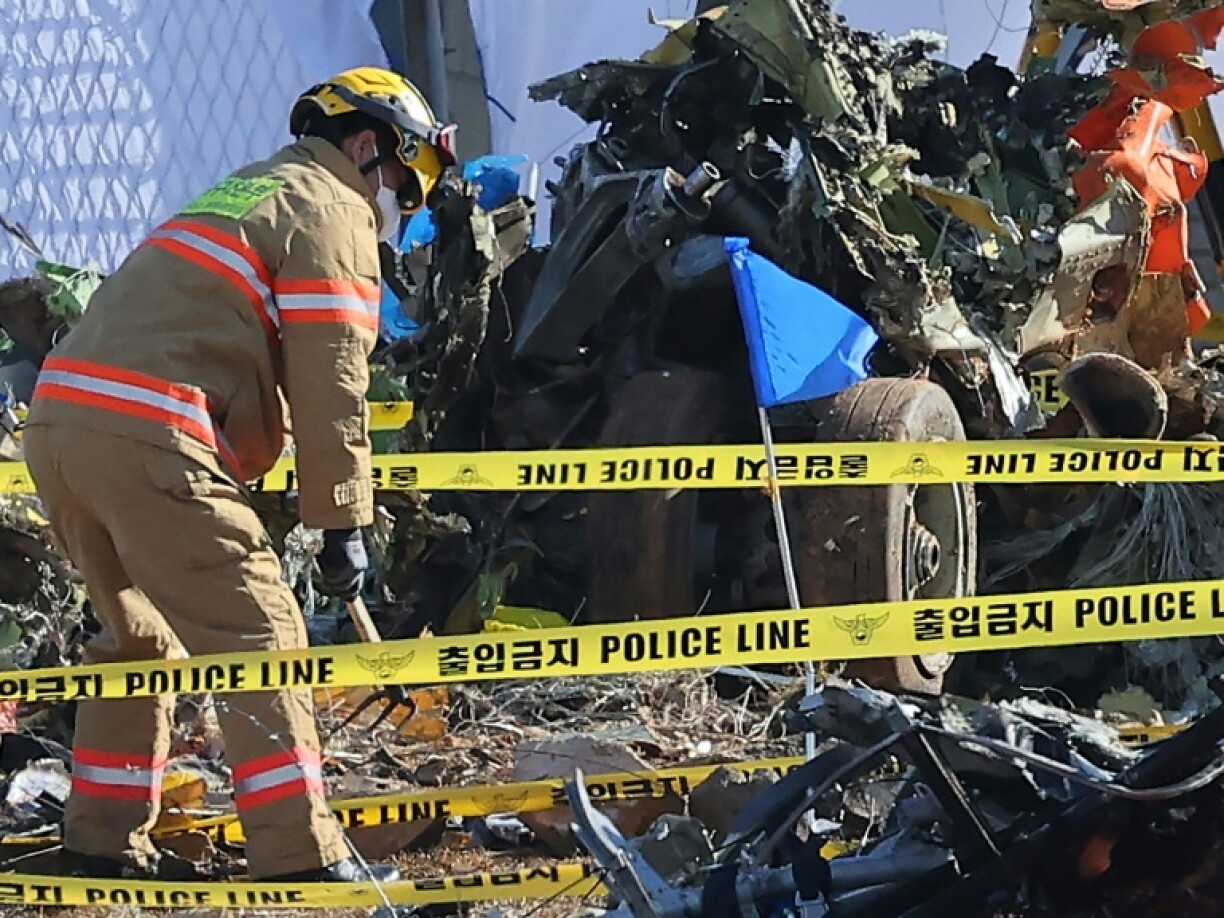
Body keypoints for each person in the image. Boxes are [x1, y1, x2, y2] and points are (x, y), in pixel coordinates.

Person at [22, 67, 455, 882]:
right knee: (261, 633)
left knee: (136, 635)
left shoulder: (249, 190)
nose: (389, 208)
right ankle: (300, 857)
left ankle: (101, 842)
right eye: (397, 185)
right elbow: (333, 385)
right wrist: (341, 523)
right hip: (149, 427)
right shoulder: (331, 212)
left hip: (61, 423)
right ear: (367, 146)